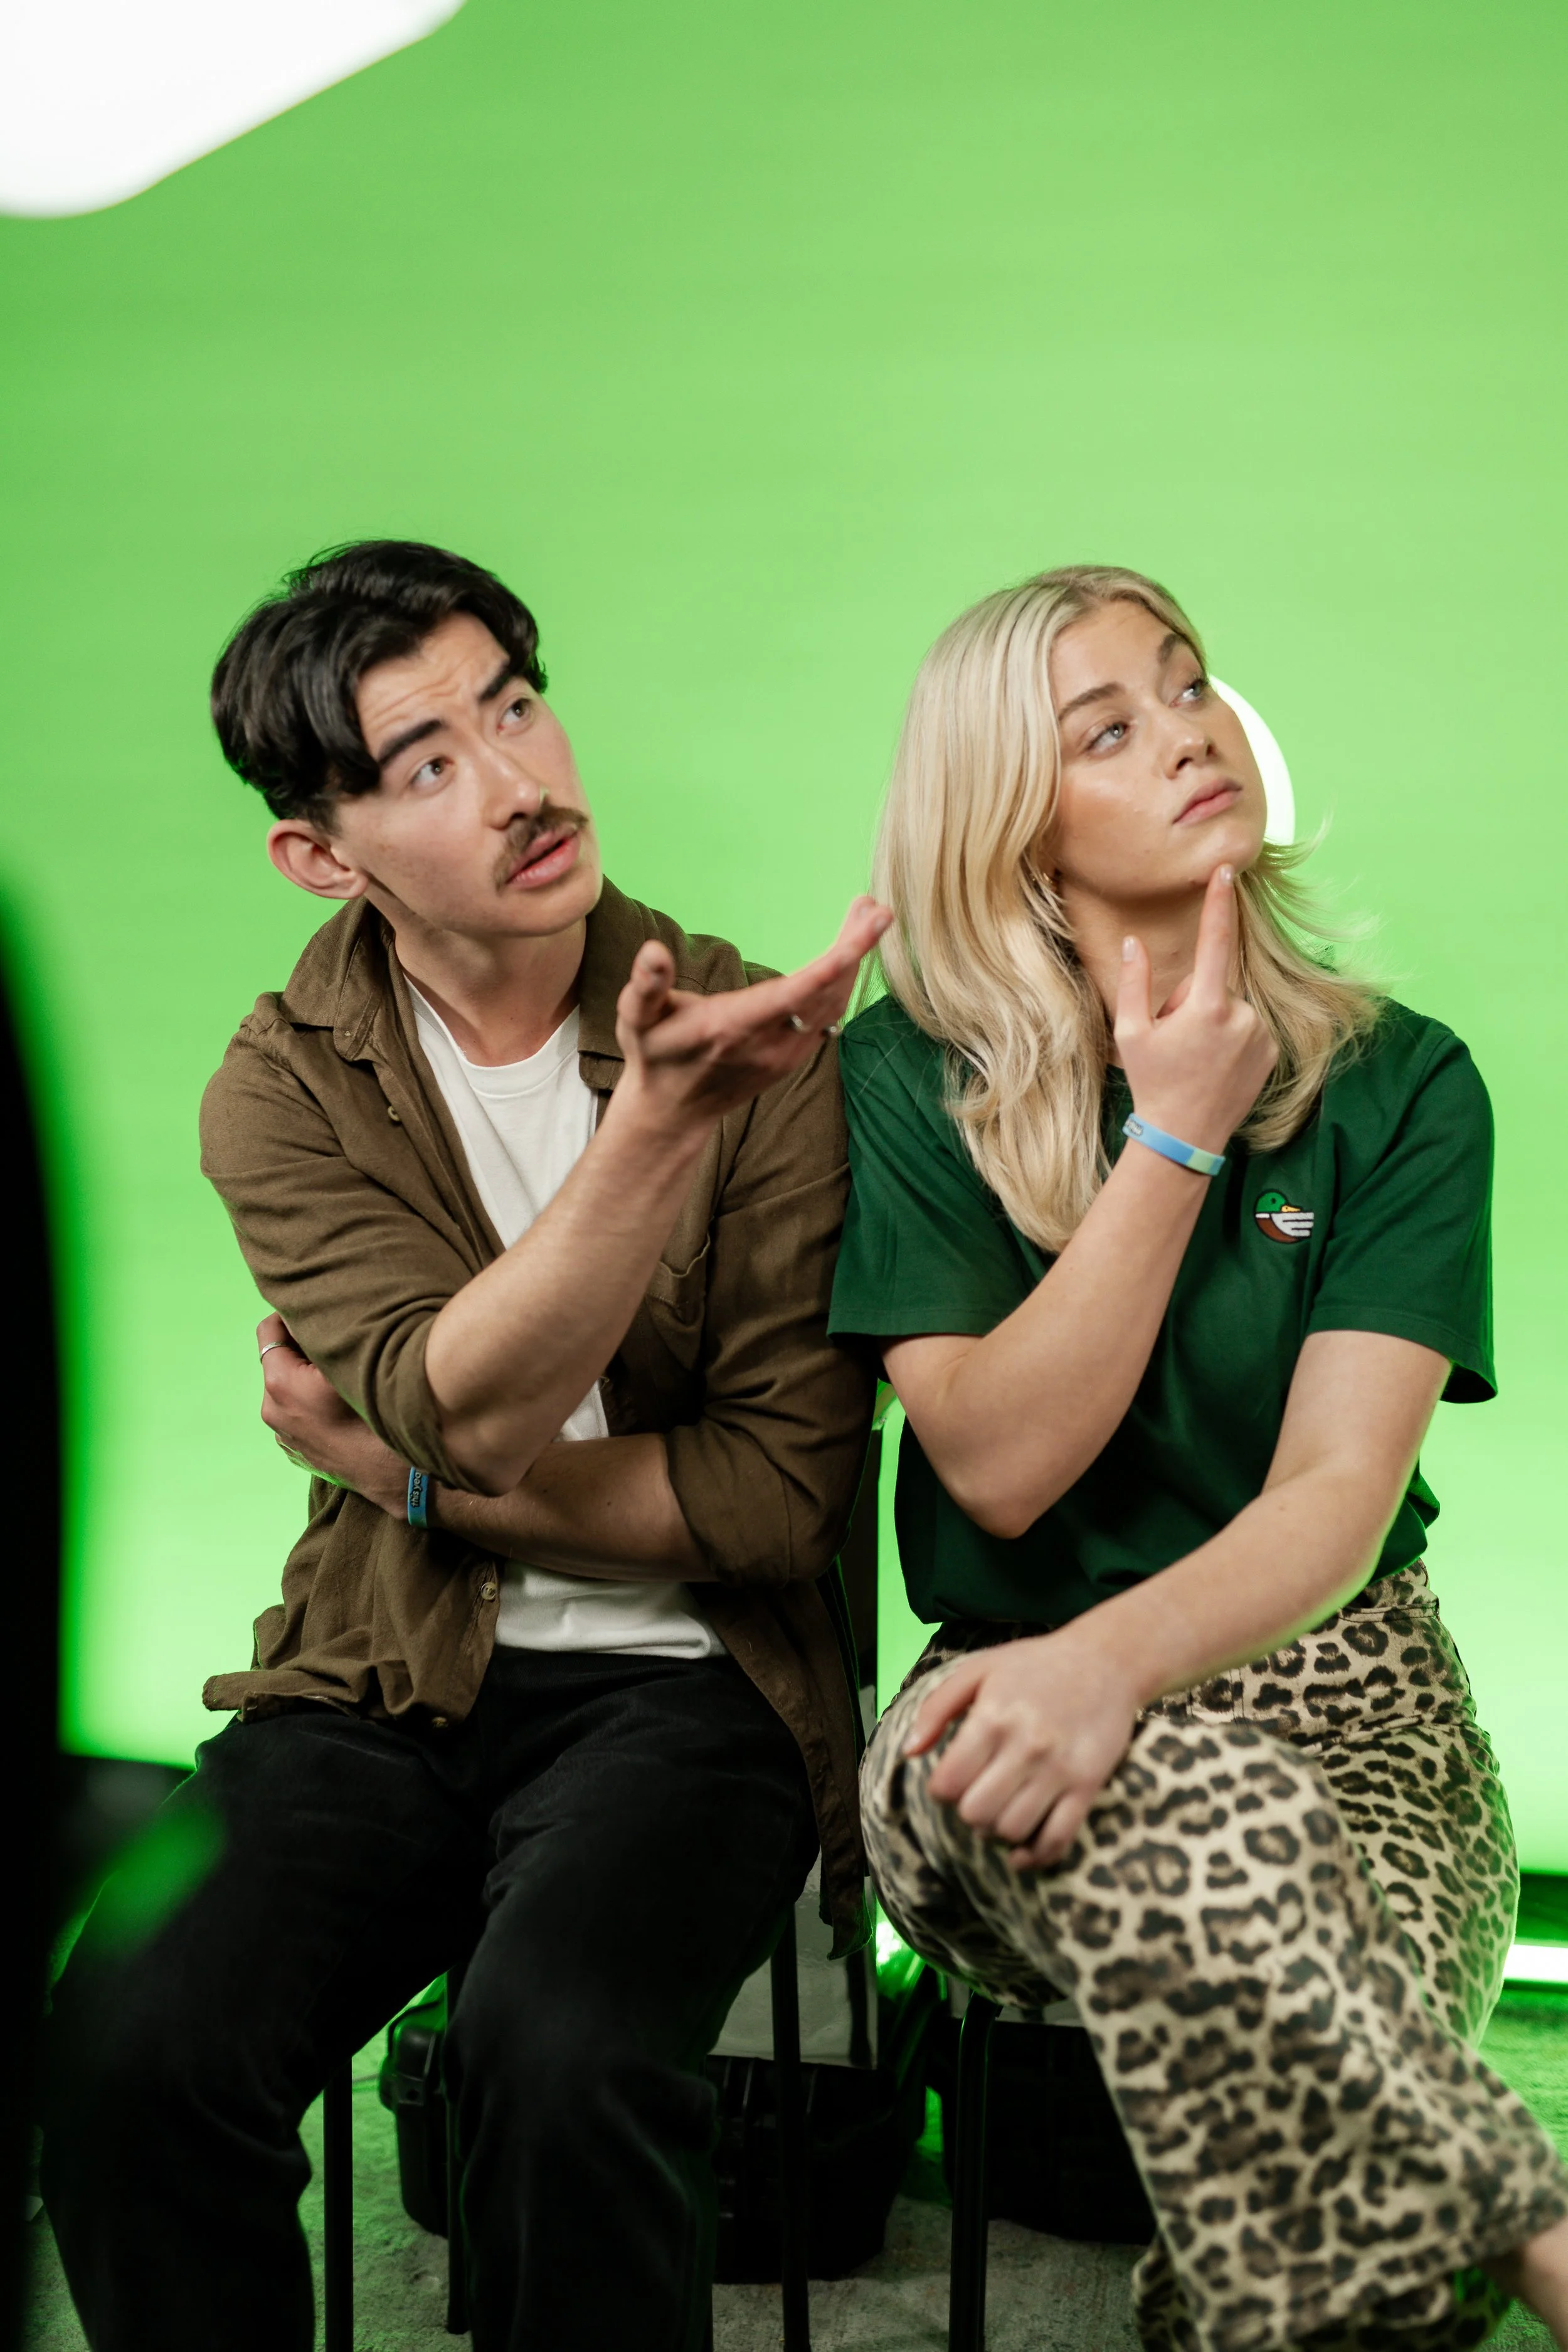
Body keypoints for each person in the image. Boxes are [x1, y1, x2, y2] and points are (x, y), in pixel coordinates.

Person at [42, 539, 888, 2352]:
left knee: (559, 2049)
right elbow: (467, 1394)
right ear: (319, 852)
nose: (518, 780)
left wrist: (395, 1469)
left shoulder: (759, 1045)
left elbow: (771, 1498)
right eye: (426, 759)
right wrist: (434, 1439)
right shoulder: (278, 1086)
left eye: (513, 703)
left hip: (696, 1694)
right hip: (381, 1673)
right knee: (127, 2044)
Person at [828, 564, 1568, 2352]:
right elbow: (997, 1468)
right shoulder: (900, 1077)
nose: (1191, 734)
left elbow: (1337, 1495)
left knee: (1315, 2196)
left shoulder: (1404, 1084)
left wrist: (1119, 1660)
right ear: (1014, 820)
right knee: (1227, 1835)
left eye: (1188, 685)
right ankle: (1542, 2240)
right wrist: (1173, 1132)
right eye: (1108, 725)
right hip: (994, 1717)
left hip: (1355, 1709)